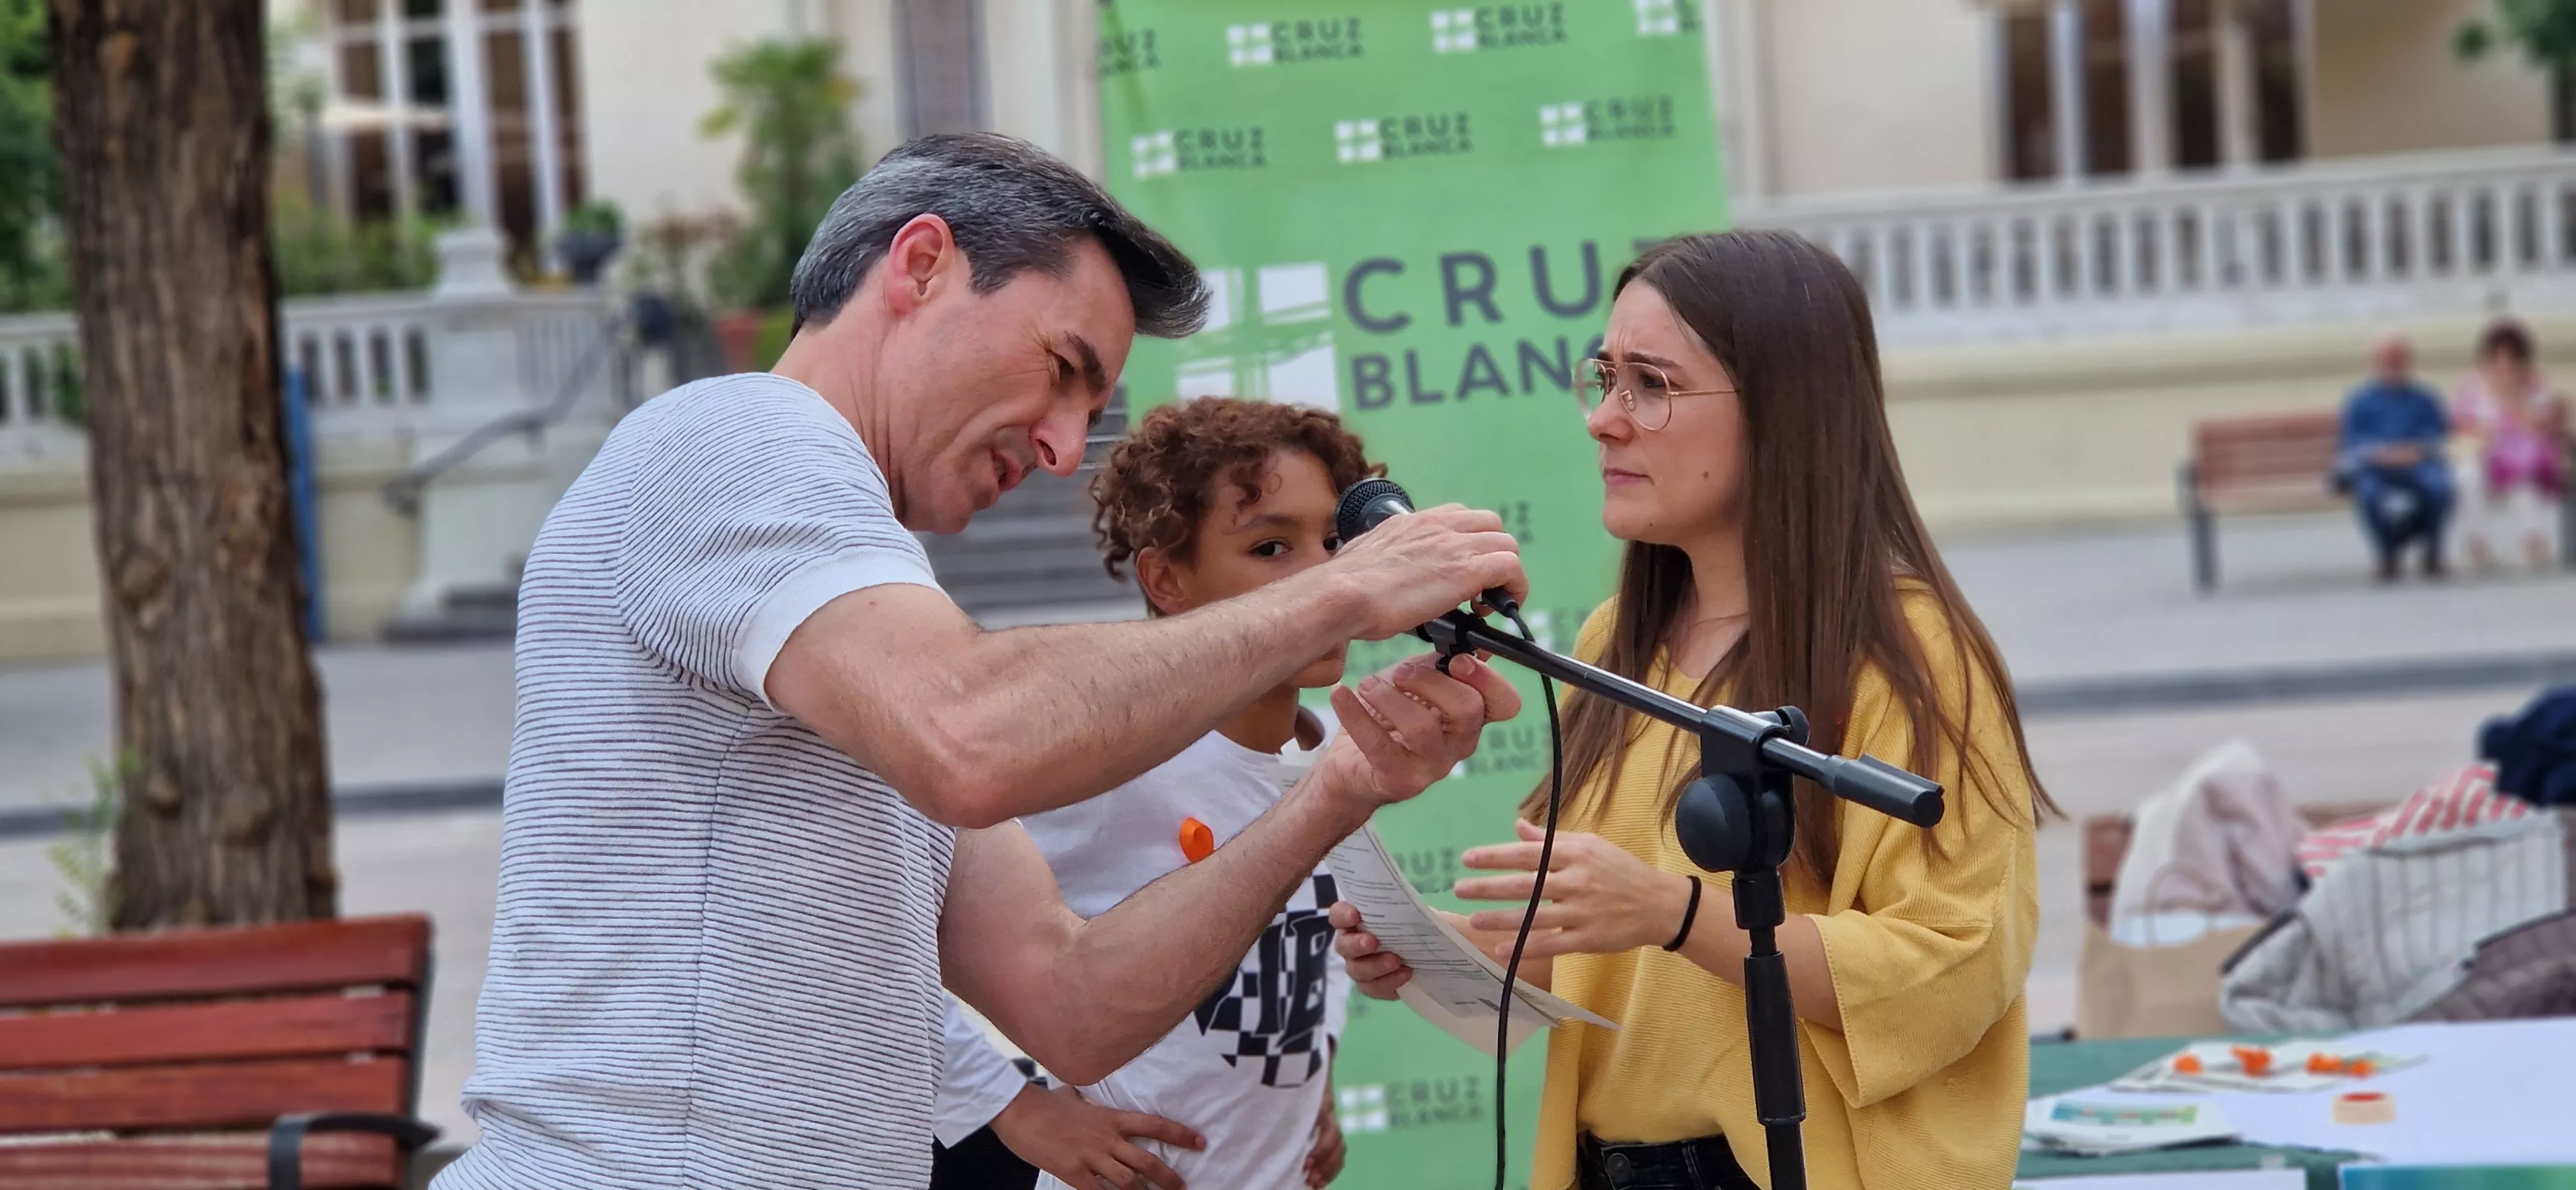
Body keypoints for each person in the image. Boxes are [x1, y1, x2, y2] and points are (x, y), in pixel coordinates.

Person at [431, 133, 1525, 1190]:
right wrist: (1340, 588)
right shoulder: (743, 435)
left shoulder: (857, 609)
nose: (1058, 448)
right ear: (920, 264)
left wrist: (1339, 786)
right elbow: (973, 735)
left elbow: (1074, 1001)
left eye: (1090, 411)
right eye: (1061, 369)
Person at [1330, 230, 2052, 1190]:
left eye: (1653, 385)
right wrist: (1438, 954)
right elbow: (1593, 958)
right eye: (1605, 377)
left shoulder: (1915, 657)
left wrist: (1674, 912)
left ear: (1784, 413)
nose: (1606, 420)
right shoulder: (1611, 639)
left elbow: (1951, 966)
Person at [933, 397, 1374, 1190]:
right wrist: (1013, 1109)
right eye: (1272, 546)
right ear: (1166, 579)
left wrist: (1312, 1071)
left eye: (1336, 542)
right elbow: (876, 937)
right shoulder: (1104, 762)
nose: (1325, 578)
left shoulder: (1334, 755)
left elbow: (1318, 934)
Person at [2452, 319, 2570, 571]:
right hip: (2485, 453)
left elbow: (2541, 425)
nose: (2503, 363)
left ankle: (2534, 542)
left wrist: (2514, 396)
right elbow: (2462, 425)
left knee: (2523, 473)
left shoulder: (2535, 383)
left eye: (2511, 357)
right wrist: (2489, 433)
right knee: (2467, 475)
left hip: (2524, 454)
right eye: (2497, 357)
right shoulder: (2473, 385)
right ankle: (2477, 545)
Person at [2336, 333, 2454, 580]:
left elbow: (2437, 437)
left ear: (2407, 362)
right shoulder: (2360, 401)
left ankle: (2433, 551)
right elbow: (2354, 443)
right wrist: (2381, 455)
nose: (2392, 365)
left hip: (2418, 463)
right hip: (2378, 467)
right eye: (2386, 360)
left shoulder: (2425, 398)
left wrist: (2414, 452)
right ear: (2376, 363)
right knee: (2369, 491)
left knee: (2439, 486)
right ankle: (2387, 556)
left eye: (2397, 359)